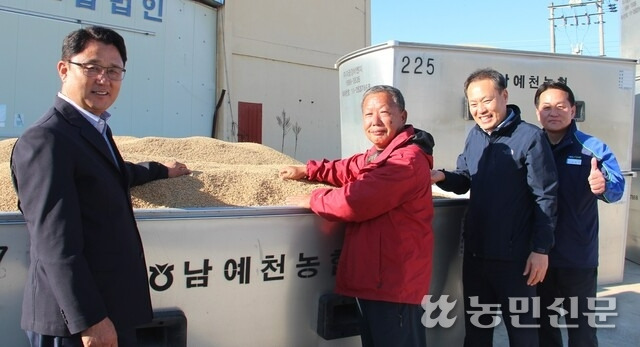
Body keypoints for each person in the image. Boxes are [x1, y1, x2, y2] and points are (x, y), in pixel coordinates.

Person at [10, 26, 191, 347]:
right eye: (92, 67)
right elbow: (55, 243)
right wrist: (90, 321)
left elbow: (113, 174)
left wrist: (162, 170)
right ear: (64, 69)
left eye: (113, 71)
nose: (103, 79)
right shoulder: (46, 139)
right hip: (75, 325)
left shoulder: (94, 128)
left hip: (110, 311)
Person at [279, 85, 435, 347]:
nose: (375, 122)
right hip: (376, 279)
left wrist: (313, 198)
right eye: (367, 114)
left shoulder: (404, 161)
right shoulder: (382, 154)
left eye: (384, 112)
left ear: (402, 116)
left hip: (392, 285)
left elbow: (355, 201)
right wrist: (308, 169)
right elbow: (348, 167)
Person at [430, 68, 558, 347]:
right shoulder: (474, 136)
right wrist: (441, 176)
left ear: (504, 96)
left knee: (522, 335)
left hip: (517, 260)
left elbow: (545, 197)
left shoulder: (530, 138)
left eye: (486, 101)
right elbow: (464, 180)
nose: (480, 110)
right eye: (473, 104)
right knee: (477, 331)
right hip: (477, 255)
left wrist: (541, 250)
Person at [533, 81, 625, 347]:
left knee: (581, 330)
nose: (553, 112)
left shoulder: (591, 148)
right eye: (546, 106)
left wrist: (604, 185)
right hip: (540, 256)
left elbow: (617, 187)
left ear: (573, 111)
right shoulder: (532, 145)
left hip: (578, 257)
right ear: (537, 112)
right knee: (543, 327)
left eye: (561, 106)